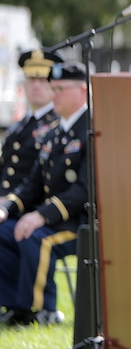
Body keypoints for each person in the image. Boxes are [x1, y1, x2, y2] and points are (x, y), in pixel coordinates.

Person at [0, 61, 89, 325]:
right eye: (54, 88)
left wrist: (40, 216)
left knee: (36, 238)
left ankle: (43, 310)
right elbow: (32, 185)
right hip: (52, 218)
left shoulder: (92, 131)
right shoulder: (55, 133)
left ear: (82, 91)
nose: (54, 95)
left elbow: (84, 190)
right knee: (5, 232)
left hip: (79, 222)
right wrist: (7, 208)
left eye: (61, 89)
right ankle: (15, 306)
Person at [0, 49, 63, 196]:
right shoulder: (19, 125)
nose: (36, 85)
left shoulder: (58, 125)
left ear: (53, 84)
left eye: (42, 80)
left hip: (26, 208)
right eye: (31, 79)